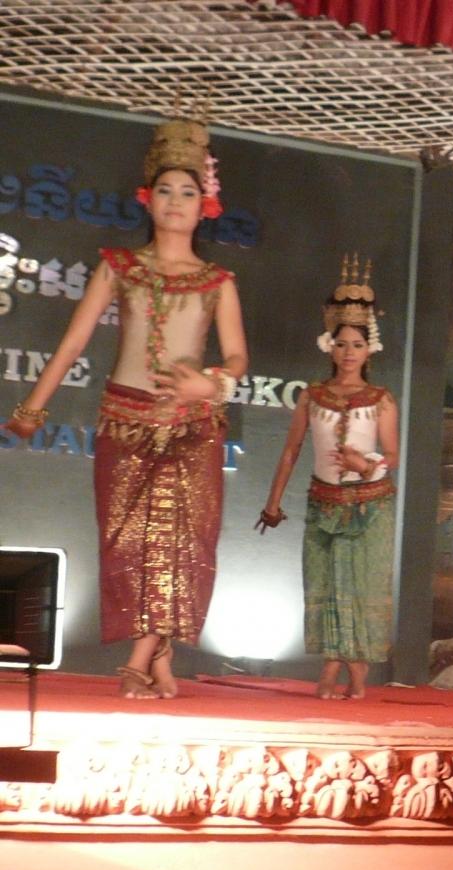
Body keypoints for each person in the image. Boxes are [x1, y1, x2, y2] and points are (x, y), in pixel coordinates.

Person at [4, 108, 246, 699]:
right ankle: (159, 653)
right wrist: (32, 410)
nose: (175, 201)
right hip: (125, 420)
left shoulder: (217, 281)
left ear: (205, 204)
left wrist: (208, 384)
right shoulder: (120, 267)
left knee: (181, 543)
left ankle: (139, 659)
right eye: (165, 190)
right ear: (147, 198)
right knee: (130, 543)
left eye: (187, 191)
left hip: (193, 424)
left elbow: (238, 358)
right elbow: (73, 342)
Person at [257, 256, 399, 700]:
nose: (348, 352)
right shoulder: (312, 396)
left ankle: (349, 672)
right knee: (327, 585)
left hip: (369, 506)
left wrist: (366, 465)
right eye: (341, 344)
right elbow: (291, 451)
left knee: (357, 587)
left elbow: (393, 454)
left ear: (369, 349)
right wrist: (273, 502)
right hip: (323, 503)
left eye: (357, 344)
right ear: (329, 347)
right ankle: (336, 669)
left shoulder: (381, 399)